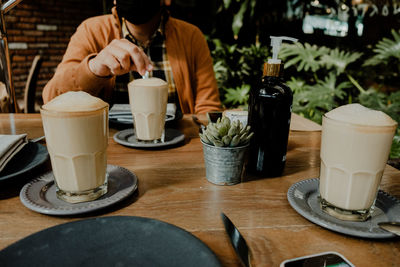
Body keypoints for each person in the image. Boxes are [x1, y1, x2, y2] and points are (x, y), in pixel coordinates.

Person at [42, 0, 221, 114]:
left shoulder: (190, 36)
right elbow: (52, 99)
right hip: (106, 149)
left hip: (173, 147)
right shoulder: (91, 31)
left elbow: (208, 110)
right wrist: (93, 69)